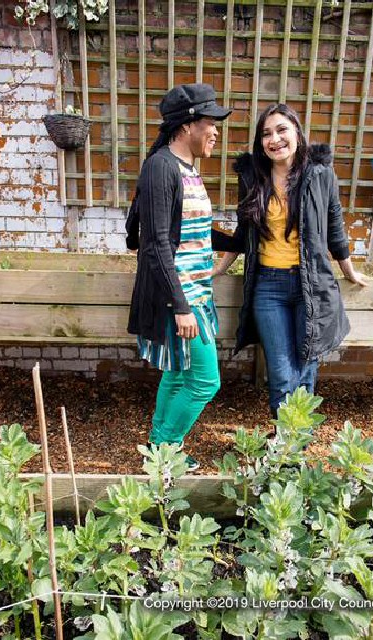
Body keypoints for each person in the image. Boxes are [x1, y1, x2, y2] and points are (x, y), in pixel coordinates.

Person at [213, 103, 367, 417]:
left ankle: (296, 449)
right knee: (282, 373)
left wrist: (349, 270)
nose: (275, 138)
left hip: (311, 285)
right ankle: (285, 446)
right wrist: (220, 267)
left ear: (296, 131)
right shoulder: (253, 177)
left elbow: (334, 225)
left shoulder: (320, 174)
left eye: (282, 129)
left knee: (306, 369)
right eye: (267, 133)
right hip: (268, 287)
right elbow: (245, 229)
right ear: (260, 143)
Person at [127, 83, 236, 470]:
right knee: (206, 381)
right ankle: (164, 453)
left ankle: (158, 448)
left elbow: (192, 228)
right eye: (211, 122)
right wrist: (180, 306)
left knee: (177, 375)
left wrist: (239, 240)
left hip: (195, 295)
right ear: (187, 125)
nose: (216, 131)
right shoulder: (161, 168)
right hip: (179, 299)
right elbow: (155, 244)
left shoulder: (187, 169)